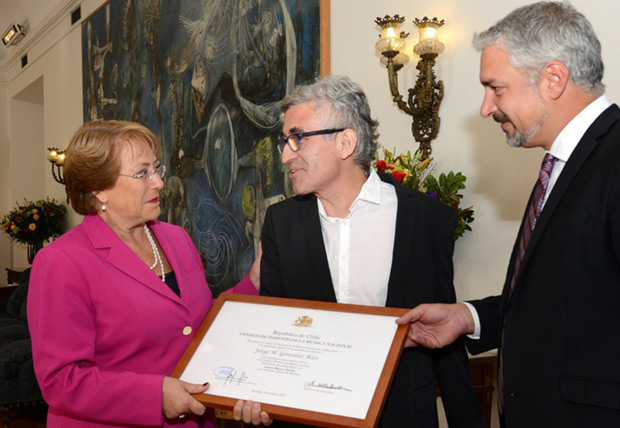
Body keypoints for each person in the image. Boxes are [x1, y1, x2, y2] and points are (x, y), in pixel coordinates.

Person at [396, 2, 620, 427]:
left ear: (553, 79)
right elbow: (566, 303)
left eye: (496, 88)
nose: (486, 108)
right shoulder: (562, 163)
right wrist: (468, 317)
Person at [259, 75, 486, 428]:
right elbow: (273, 335)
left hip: (403, 416)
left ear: (345, 142)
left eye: (297, 138)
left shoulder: (426, 220)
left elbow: (444, 333)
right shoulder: (280, 223)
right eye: (284, 141)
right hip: (309, 417)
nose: (286, 153)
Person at [28, 120, 271, 427]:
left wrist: (253, 283)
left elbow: (195, 323)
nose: (158, 182)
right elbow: (62, 380)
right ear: (100, 189)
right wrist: (154, 396)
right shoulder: (62, 261)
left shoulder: (175, 238)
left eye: (157, 169)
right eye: (143, 173)